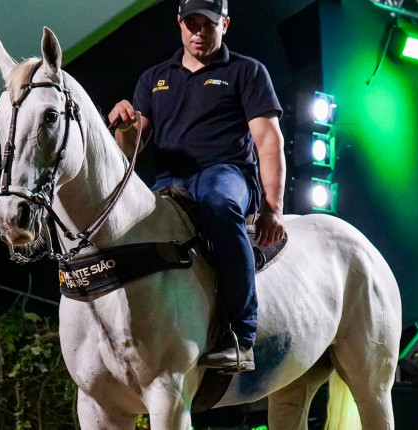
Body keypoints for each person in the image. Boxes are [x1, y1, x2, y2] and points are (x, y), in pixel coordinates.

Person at [109, 0, 286, 372]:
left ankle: (241, 336)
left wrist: (273, 208)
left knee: (217, 201)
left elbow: (269, 142)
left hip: (226, 173)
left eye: (207, 24)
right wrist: (124, 126)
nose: (198, 32)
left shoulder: (246, 72)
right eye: (191, 23)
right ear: (179, 23)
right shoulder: (154, 77)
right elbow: (131, 150)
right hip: (170, 181)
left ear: (225, 25)